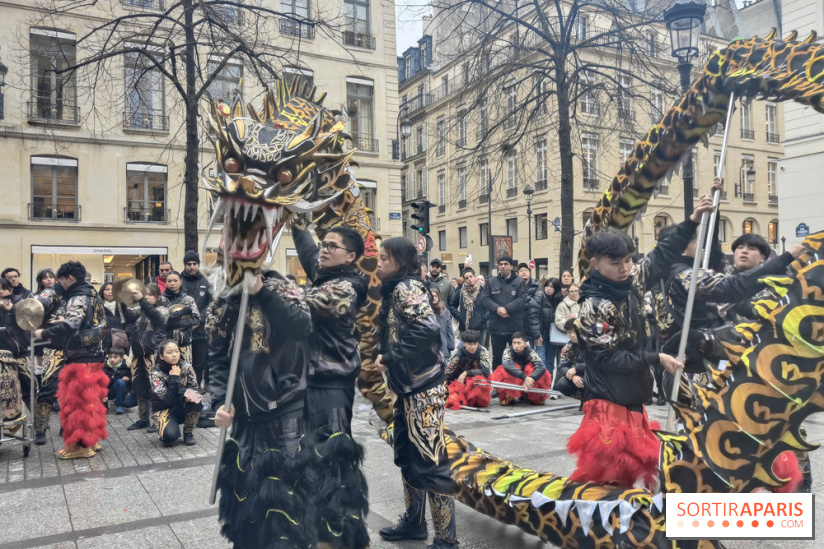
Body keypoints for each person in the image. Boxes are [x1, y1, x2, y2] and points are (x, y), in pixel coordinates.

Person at [567, 197, 716, 489]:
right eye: (616, 263)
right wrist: (654, 358)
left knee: (635, 475)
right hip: (608, 401)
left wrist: (693, 219)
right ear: (596, 264)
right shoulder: (596, 305)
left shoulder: (631, 282)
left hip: (632, 395)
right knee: (607, 480)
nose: (625, 268)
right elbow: (605, 360)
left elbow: (662, 255)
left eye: (628, 260)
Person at [210, 270, 314, 548]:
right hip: (244, 420)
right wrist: (220, 400)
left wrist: (261, 292)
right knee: (245, 505)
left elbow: (302, 326)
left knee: (284, 507)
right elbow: (217, 355)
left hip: (284, 415)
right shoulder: (225, 297)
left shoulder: (282, 288)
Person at [375, 237, 458, 549]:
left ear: (400, 260)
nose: (379, 263)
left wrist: (390, 355)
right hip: (409, 389)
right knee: (409, 458)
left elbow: (426, 330)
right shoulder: (397, 288)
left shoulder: (405, 287)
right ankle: (414, 524)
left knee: (431, 461)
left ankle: (447, 540)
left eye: (385, 258)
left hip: (423, 389)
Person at [292, 224, 370, 549]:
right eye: (323, 243)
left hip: (332, 387)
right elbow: (310, 253)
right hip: (310, 383)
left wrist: (260, 283)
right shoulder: (325, 273)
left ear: (350, 256)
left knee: (333, 464)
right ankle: (316, 530)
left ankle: (336, 537)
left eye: (332, 246)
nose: (324, 249)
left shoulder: (346, 288)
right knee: (311, 459)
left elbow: (299, 304)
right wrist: (296, 223)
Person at [34, 261, 108, 460]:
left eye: (62, 280)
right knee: (91, 400)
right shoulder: (92, 292)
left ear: (71, 278)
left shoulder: (78, 295)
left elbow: (72, 324)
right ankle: (92, 440)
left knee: (77, 404)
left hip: (80, 355)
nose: (60, 283)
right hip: (94, 353)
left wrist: (44, 332)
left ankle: (80, 446)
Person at [124, 284, 168, 432]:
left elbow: (156, 317)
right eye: (145, 294)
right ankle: (143, 419)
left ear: (158, 297)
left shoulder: (163, 309)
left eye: (149, 295)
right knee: (139, 387)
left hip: (153, 354)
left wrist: (142, 300)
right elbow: (129, 315)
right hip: (138, 354)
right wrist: (123, 299)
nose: (146, 297)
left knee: (155, 388)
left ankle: (158, 419)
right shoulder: (141, 309)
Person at [149, 340, 202, 445]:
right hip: (164, 409)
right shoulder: (155, 374)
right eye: (169, 352)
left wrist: (188, 393)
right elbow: (166, 400)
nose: (174, 355)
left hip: (181, 405)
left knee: (196, 399)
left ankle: (188, 432)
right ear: (162, 356)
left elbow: (194, 387)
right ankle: (165, 427)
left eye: (176, 351)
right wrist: (174, 378)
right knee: (170, 436)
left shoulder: (186, 367)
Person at [481, 256, 528, 370]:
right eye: (500, 264)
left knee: (517, 357)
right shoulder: (491, 282)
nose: (502, 266)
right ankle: (497, 384)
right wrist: (498, 309)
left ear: (511, 266)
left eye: (506, 264)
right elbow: (485, 299)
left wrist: (507, 309)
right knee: (497, 358)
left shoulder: (519, 282)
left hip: (514, 327)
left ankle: (516, 383)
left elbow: (522, 299)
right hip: (497, 327)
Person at [180, 251, 212, 390]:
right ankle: (185, 387)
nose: (192, 267)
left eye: (194, 264)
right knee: (185, 360)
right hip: (182, 328)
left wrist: (198, 319)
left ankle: (197, 386)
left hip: (201, 329)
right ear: (185, 265)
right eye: (189, 264)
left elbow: (211, 304)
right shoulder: (178, 280)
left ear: (198, 265)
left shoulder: (206, 281)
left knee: (200, 361)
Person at [490, 332, 551, 405]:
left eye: (519, 343)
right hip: (516, 377)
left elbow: (541, 366)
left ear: (525, 344)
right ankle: (509, 395)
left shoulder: (531, 352)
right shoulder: (508, 351)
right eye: (514, 343)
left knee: (541, 372)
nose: (516, 346)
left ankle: (532, 395)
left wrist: (531, 378)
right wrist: (524, 377)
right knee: (503, 371)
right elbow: (507, 365)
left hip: (528, 379)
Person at [444, 330, 492, 410]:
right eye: (470, 344)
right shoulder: (458, 354)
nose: (473, 347)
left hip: (476, 381)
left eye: (475, 344)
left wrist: (466, 373)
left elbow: (486, 371)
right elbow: (448, 373)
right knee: (453, 400)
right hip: (460, 382)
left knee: (478, 398)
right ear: (464, 343)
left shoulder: (482, 351)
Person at [162, 271, 200, 364]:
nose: (172, 283)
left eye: (175, 280)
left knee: (186, 372)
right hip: (165, 343)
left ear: (181, 281)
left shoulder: (188, 300)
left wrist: (177, 324)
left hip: (184, 342)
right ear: (166, 282)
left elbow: (196, 319)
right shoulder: (161, 300)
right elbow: (160, 320)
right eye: (169, 281)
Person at [527, 278, 563, 371]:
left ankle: (548, 385)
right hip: (540, 336)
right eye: (547, 286)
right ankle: (540, 385)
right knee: (540, 361)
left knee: (550, 362)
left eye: (551, 287)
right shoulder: (540, 297)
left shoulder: (559, 300)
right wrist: (537, 335)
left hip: (553, 337)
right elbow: (533, 316)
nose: (548, 288)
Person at [448, 267, 488, 343]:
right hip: (465, 328)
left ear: (475, 277)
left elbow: (491, 307)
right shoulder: (461, 292)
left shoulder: (484, 291)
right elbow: (452, 305)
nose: (469, 279)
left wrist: (483, 317)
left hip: (480, 327)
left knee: (480, 351)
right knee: (466, 351)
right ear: (464, 280)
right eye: (466, 278)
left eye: (471, 277)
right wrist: (460, 315)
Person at [555, 319, 585, 400]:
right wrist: (573, 376)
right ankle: (583, 399)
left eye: (575, 331)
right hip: (577, 375)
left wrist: (576, 369)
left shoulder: (591, 344)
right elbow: (562, 366)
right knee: (562, 384)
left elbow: (594, 363)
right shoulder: (568, 347)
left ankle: (591, 400)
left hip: (593, 375)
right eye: (569, 332)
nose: (572, 335)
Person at [103, 346, 136, 414]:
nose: (112, 359)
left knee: (120, 382)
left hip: (120, 390)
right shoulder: (104, 367)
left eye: (115, 357)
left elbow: (132, 381)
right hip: (107, 391)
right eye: (110, 357)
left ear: (122, 358)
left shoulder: (126, 368)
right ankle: (103, 404)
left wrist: (128, 379)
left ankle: (120, 405)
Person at [430, 288, 455, 359]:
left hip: (443, 343)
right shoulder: (426, 311)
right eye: (431, 296)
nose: (434, 298)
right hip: (431, 344)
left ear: (439, 297)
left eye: (435, 296)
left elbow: (449, 328)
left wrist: (451, 345)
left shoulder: (445, 311)